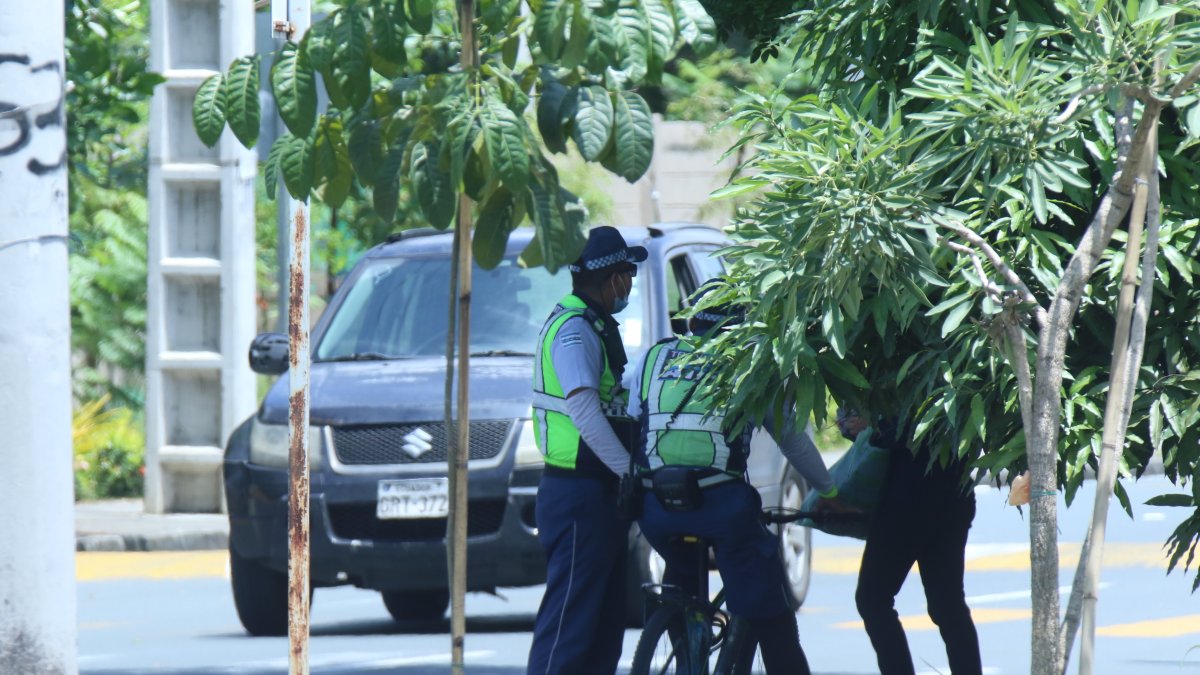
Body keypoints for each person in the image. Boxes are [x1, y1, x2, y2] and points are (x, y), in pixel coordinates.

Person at [628, 297, 852, 675]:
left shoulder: (655, 357)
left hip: (656, 508)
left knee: (680, 578)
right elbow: (793, 440)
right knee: (771, 612)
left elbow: (636, 419)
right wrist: (828, 492)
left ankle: (681, 640)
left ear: (693, 322)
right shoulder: (746, 365)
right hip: (721, 508)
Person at [526, 226, 644, 675]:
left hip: (598, 493)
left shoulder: (594, 324)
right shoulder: (575, 329)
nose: (630, 284)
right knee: (569, 630)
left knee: (602, 632)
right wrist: (628, 470)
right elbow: (584, 411)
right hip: (577, 494)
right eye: (627, 274)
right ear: (611, 277)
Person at [838, 408, 982, 675]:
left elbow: (905, 428)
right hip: (953, 492)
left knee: (873, 598)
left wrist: (871, 425)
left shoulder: (903, 375)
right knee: (947, 604)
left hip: (910, 499)